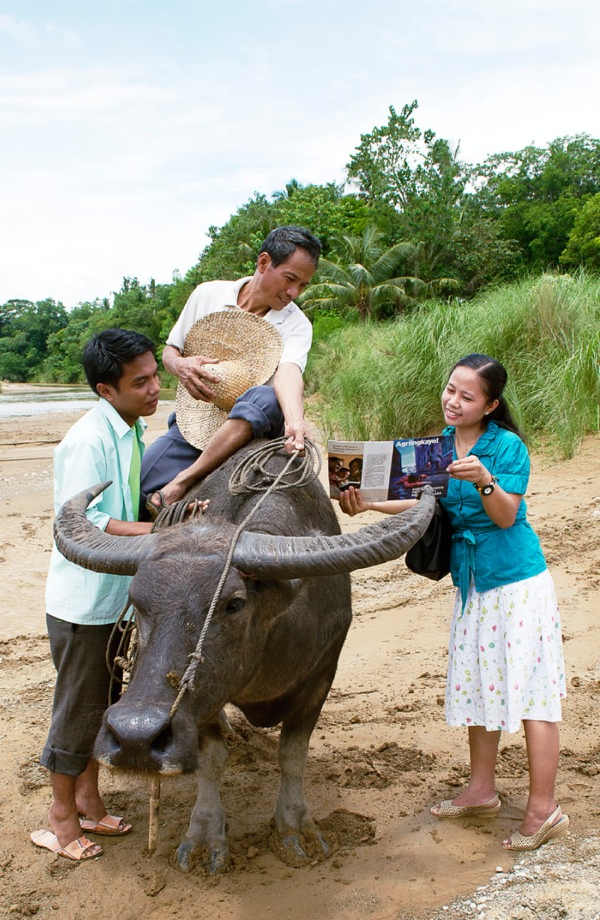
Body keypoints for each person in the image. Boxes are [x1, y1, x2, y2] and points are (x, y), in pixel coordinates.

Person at [339, 353, 568, 852]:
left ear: (491, 405)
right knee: (480, 684)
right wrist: (369, 502)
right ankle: (481, 791)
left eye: (467, 396)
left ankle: (543, 808)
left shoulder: (507, 448)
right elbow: (423, 500)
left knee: (533, 692)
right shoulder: (438, 445)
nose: (454, 401)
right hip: (471, 584)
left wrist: (484, 478)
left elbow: (506, 516)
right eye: (450, 390)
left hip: (516, 583)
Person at [30, 329, 162, 862]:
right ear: (107, 390)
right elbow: (83, 521)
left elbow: (124, 504)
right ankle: (60, 818)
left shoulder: (131, 429)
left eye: (155, 375)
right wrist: (159, 532)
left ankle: (87, 800)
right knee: (77, 711)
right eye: (140, 382)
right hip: (84, 605)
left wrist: (157, 507)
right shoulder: (87, 440)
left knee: (103, 705)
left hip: (116, 597)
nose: (155, 388)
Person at [141, 225, 322, 512]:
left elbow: (288, 372)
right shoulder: (206, 294)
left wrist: (295, 421)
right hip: (199, 418)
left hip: (256, 422)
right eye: (290, 279)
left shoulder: (297, 324)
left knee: (266, 396)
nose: (293, 292)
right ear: (263, 262)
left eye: (302, 285)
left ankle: (184, 479)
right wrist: (180, 365)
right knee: (140, 483)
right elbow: (170, 351)